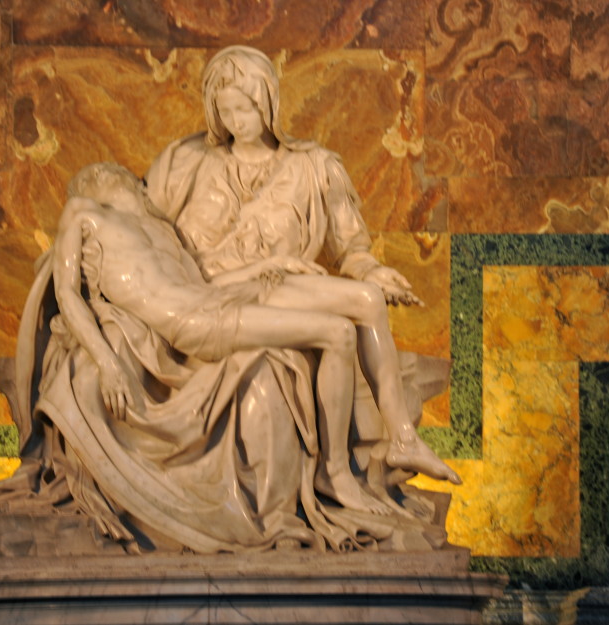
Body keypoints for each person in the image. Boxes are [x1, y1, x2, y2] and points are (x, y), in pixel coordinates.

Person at [56, 162, 457, 514]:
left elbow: (202, 284)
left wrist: (272, 264)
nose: (144, 188)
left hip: (213, 300)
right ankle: (335, 474)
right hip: (195, 322)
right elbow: (66, 293)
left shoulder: (161, 230)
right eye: (134, 181)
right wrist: (107, 362)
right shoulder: (83, 212)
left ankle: (404, 439)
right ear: (107, 179)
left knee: (366, 299)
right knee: (337, 333)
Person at [146, 45, 459, 484]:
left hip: (273, 288)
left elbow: (349, 248)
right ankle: (350, 464)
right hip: (208, 294)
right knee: (346, 318)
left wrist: (371, 270)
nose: (236, 122)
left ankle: (404, 440)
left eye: (245, 110)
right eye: (226, 111)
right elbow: (143, 232)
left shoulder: (315, 167)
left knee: (368, 298)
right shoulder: (185, 162)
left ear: (269, 104)